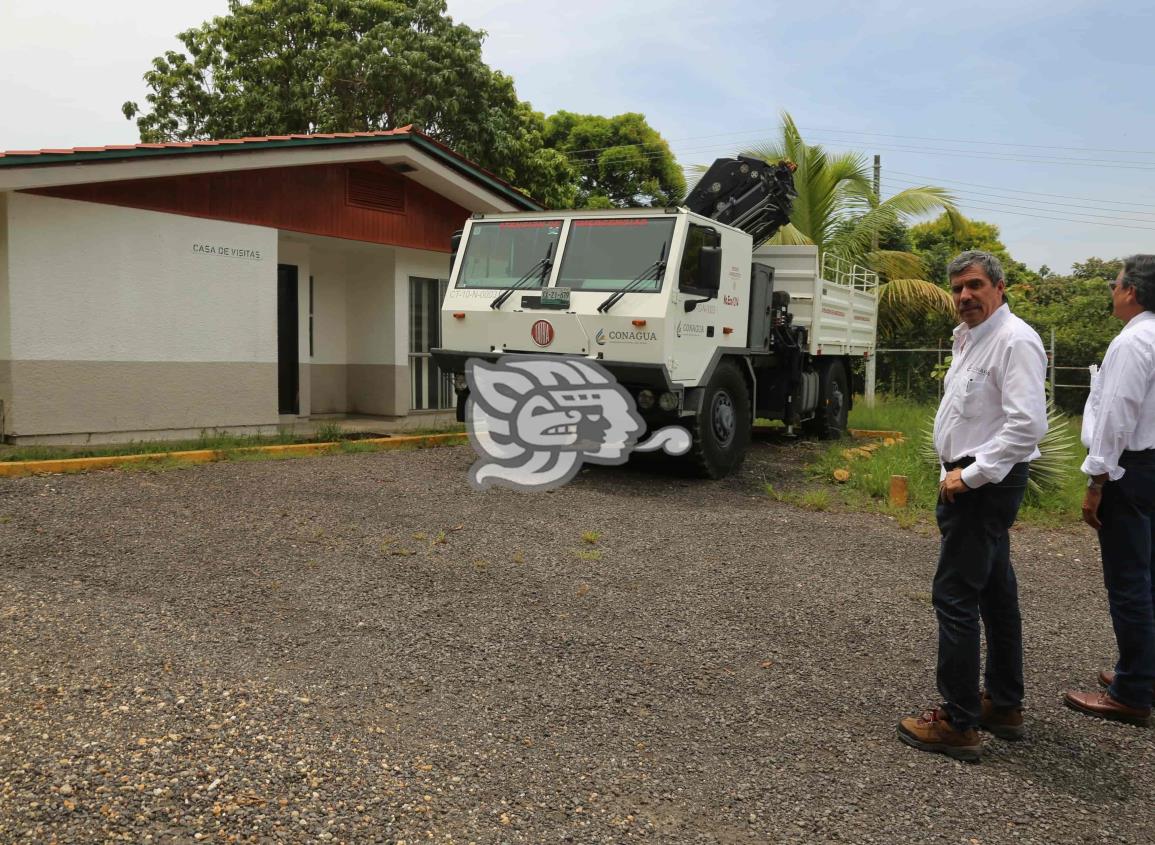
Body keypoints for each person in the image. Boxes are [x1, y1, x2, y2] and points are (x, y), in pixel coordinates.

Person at [897, 250, 1048, 762]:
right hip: (965, 477)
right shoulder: (970, 339)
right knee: (996, 591)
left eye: (976, 285)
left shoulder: (1014, 340)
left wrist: (974, 474)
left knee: (955, 595)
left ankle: (958, 721)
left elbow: (1027, 425)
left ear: (999, 287)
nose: (965, 296)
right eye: (959, 288)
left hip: (982, 483)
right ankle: (1004, 705)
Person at [1064, 255, 1155, 728]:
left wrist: (1096, 480)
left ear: (1131, 292)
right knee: (1148, 575)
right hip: (1151, 467)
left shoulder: (1133, 340)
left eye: (1115, 283)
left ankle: (1133, 691)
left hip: (1130, 471)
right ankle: (1144, 672)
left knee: (1129, 581)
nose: (1112, 290)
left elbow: (1117, 416)